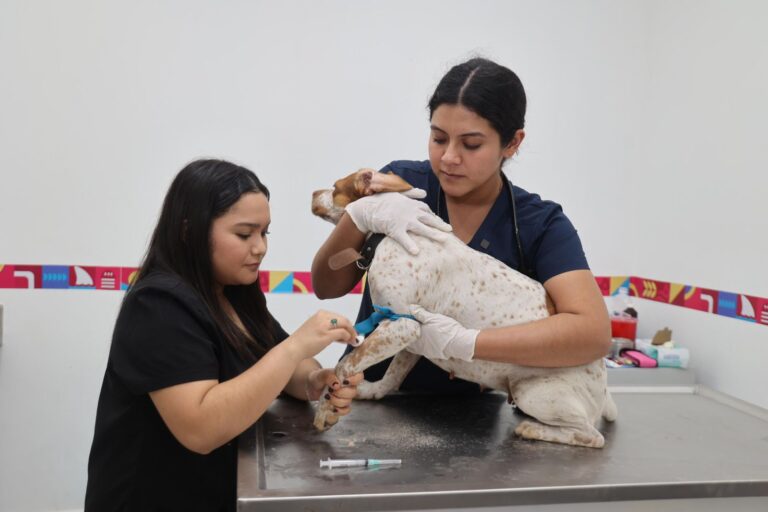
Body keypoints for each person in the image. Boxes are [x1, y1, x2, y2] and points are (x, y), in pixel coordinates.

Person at [312, 57, 610, 393]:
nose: (449, 157)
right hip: (365, 389)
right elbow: (326, 286)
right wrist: (360, 216)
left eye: (471, 144)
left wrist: (465, 342)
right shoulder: (401, 184)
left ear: (512, 143)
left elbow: (592, 334)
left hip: (473, 412)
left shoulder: (538, 224)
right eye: (439, 138)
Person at [85, 159, 362, 511]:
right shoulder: (158, 306)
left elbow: (279, 360)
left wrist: (315, 380)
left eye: (265, 233)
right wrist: (296, 346)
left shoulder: (235, 292)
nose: (260, 247)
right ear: (189, 231)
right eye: (244, 234)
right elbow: (201, 428)